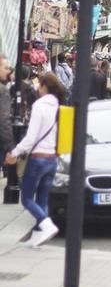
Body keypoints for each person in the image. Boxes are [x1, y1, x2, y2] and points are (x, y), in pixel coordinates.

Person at [5, 72, 65, 247]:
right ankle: (38, 236)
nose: (37, 88)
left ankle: (46, 224)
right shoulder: (58, 106)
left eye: (39, 85)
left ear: (44, 87)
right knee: (42, 199)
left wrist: (14, 153)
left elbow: (31, 137)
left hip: (38, 159)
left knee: (26, 199)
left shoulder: (40, 105)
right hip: (52, 159)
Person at [0, 55, 13, 164]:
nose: (8, 71)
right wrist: (10, 146)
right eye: (5, 68)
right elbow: (4, 120)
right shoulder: (2, 90)